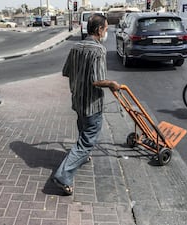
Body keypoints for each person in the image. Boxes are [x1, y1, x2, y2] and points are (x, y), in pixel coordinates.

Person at [53, 14, 120, 195]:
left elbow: (66, 71)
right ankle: (63, 176)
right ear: (99, 30)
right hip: (92, 104)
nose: (106, 32)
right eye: (105, 29)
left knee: (83, 131)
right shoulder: (99, 50)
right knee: (87, 140)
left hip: (77, 100)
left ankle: (81, 157)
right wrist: (112, 84)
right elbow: (97, 81)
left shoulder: (76, 47)